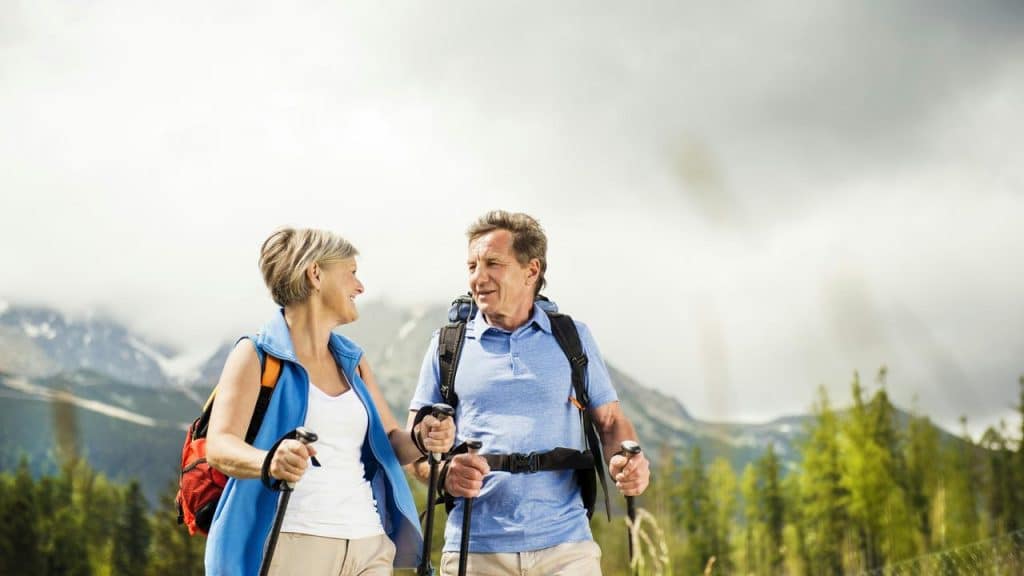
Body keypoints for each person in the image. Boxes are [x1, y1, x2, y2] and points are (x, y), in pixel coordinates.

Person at [407, 210, 651, 575]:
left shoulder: (573, 338)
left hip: (567, 548)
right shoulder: (448, 346)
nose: (478, 277)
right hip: (475, 550)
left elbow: (612, 422)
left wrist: (627, 461)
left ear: (531, 271)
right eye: (471, 266)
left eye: (492, 263)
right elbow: (413, 449)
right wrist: (444, 476)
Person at [205, 227, 455, 576]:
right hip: (294, 541)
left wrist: (422, 437)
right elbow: (218, 445)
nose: (360, 286)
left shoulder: (352, 361)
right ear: (315, 274)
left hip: (368, 541)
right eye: (351, 272)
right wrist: (269, 461)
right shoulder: (256, 354)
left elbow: (392, 442)